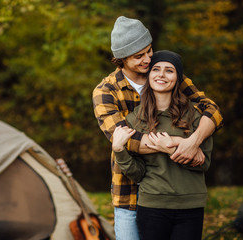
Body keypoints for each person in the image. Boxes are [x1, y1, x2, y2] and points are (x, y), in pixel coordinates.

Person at [92, 16, 222, 240]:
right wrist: (178, 144)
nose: (147, 59)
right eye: (138, 56)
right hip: (129, 190)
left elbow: (212, 110)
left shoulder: (165, 74)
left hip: (176, 189)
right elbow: (128, 142)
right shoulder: (105, 91)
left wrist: (193, 141)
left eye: (149, 50)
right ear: (121, 59)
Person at [112, 50, 213, 240]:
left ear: (177, 77)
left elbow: (204, 163)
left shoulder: (195, 116)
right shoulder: (136, 119)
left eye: (169, 70)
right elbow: (138, 172)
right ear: (149, 75)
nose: (161, 75)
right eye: (156, 69)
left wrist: (171, 147)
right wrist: (119, 151)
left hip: (190, 205)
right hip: (152, 206)